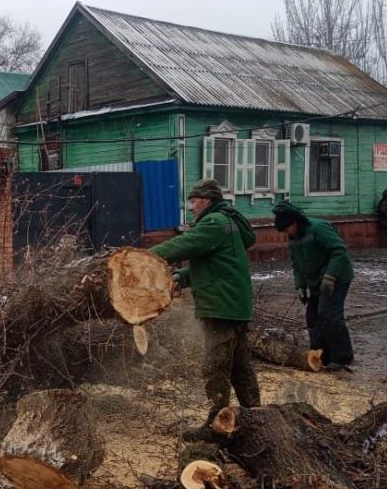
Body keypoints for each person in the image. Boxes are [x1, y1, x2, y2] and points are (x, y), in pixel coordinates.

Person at [151, 179, 260, 428]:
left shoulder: (214, 223)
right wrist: (181, 277)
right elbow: (215, 266)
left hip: (221, 307)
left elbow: (182, 245)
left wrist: (144, 256)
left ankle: (217, 424)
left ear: (207, 201)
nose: (191, 207)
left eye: (194, 201)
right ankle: (256, 417)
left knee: (215, 367)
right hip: (235, 306)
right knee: (240, 367)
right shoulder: (227, 223)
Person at [271, 202, 355, 371]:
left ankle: (341, 357)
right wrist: (300, 286)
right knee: (312, 317)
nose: (287, 233)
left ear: (296, 221)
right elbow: (296, 264)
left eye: (288, 228)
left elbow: (339, 251)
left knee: (329, 314)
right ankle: (321, 356)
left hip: (337, 276)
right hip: (316, 280)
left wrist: (330, 276)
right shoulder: (293, 239)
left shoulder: (319, 228)